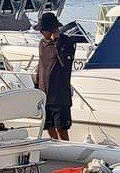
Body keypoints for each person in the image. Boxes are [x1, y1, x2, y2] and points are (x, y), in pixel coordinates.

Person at [34, 12, 86, 140]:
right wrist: (37, 86)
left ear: (52, 30)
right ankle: (55, 145)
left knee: (61, 129)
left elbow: (64, 63)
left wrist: (57, 42)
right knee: (49, 128)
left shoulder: (66, 43)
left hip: (60, 96)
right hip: (45, 93)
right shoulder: (42, 43)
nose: (41, 33)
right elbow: (41, 65)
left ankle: (66, 150)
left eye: (43, 30)